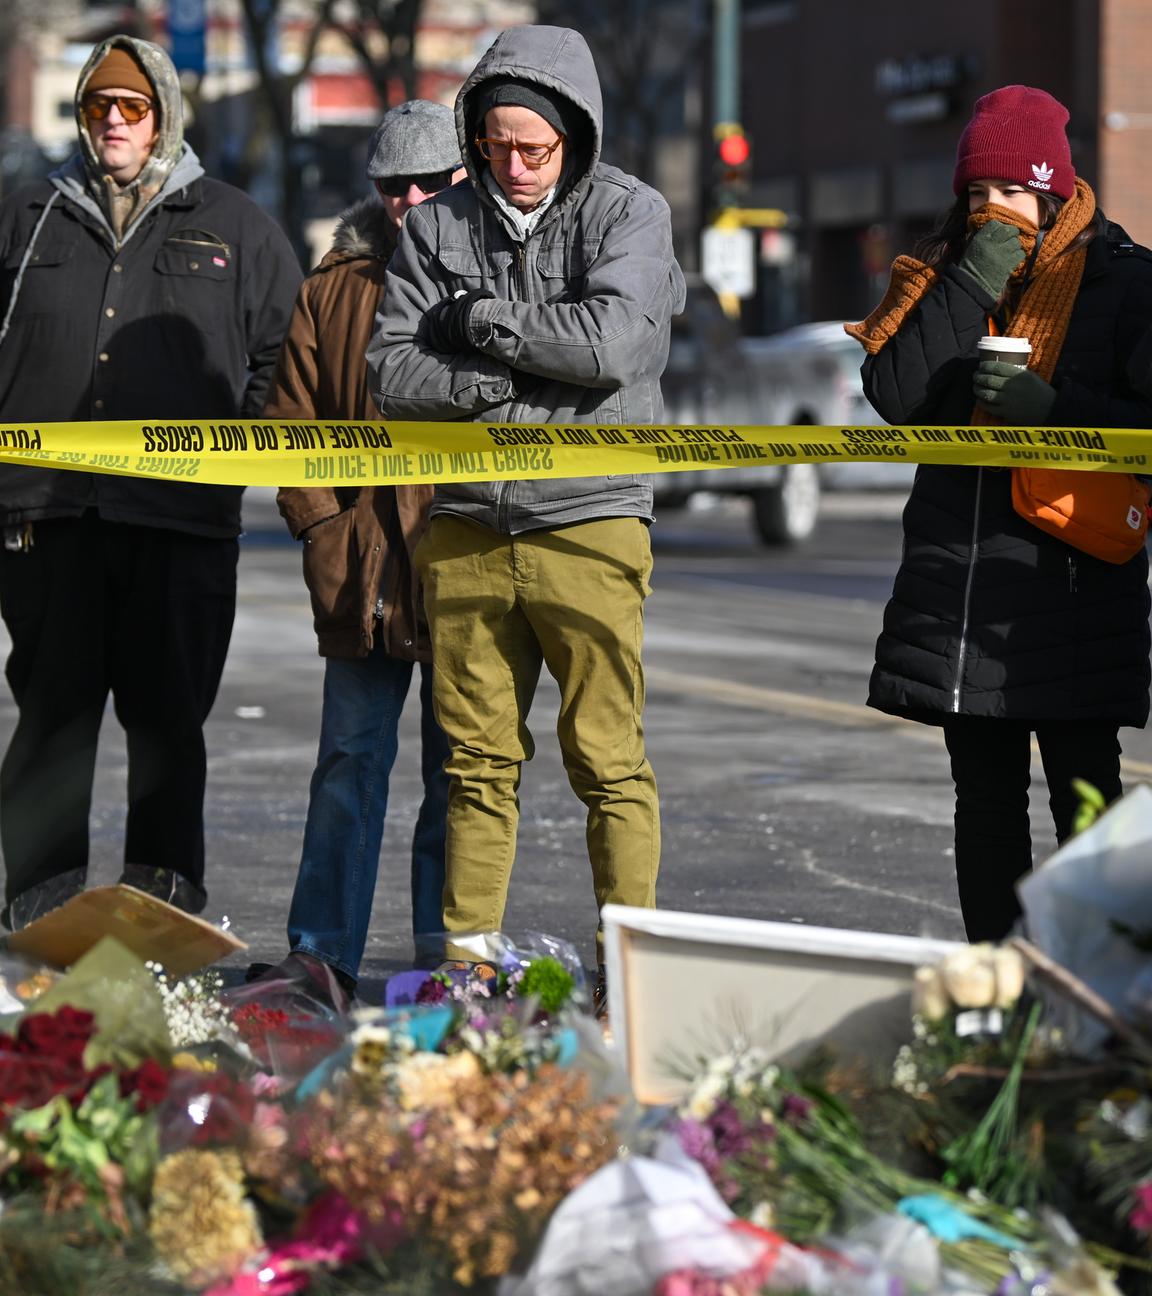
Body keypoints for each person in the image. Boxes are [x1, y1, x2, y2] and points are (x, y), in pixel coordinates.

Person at [367, 24, 685, 1000]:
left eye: (533, 149)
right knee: (474, 766)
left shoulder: (629, 213)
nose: (512, 167)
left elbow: (610, 348)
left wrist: (476, 328)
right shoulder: (435, 226)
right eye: (494, 146)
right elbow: (391, 371)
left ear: (574, 135)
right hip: (465, 525)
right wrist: (497, 383)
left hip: (591, 519)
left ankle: (627, 965)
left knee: (607, 757)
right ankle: (467, 969)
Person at [0, 36, 301, 929]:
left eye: (132, 108)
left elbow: (286, 358)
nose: (114, 124)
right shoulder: (27, 220)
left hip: (180, 523)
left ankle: (162, 907)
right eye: (99, 107)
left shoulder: (237, 226)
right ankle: (39, 910)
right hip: (46, 518)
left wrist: (238, 453)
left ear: (163, 115)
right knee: (52, 722)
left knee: (168, 723)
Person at [846, 85, 1152, 942]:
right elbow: (898, 396)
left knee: (1087, 806)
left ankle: (1104, 998)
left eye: (1011, 193)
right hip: (960, 593)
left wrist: (1052, 410)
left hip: (1073, 588)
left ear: (1053, 191)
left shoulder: (1124, 284)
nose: (992, 211)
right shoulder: (943, 275)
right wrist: (970, 281)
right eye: (976, 195)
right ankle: (998, 984)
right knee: (984, 805)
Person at [258, 101, 465, 997]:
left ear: (465, 178)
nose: (409, 199)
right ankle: (323, 954)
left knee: (461, 772)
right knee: (348, 763)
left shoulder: (493, 276)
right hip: (365, 574)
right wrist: (325, 528)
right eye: (392, 185)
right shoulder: (333, 285)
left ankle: (444, 960)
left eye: (428, 182)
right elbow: (290, 424)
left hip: (463, 566)